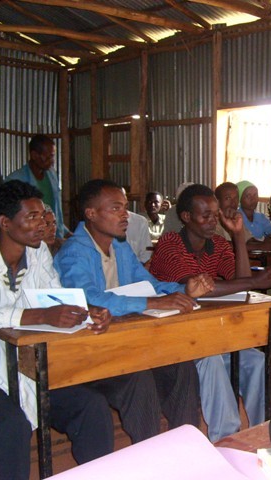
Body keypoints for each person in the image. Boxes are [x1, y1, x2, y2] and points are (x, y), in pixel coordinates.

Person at [54, 179, 215, 438]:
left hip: (126, 343)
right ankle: (148, 454)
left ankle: (185, 443)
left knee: (181, 365)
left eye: (125, 208)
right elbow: (90, 300)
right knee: (139, 379)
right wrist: (151, 302)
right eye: (116, 208)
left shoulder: (119, 246)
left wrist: (184, 290)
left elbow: (148, 284)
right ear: (91, 214)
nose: (125, 216)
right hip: (90, 348)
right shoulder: (74, 253)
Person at [0, 180, 114, 475]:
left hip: (30, 371)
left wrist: (86, 313)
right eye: (31, 217)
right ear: (5, 223)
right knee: (11, 425)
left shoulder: (38, 254)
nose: (43, 225)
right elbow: (43, 312)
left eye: (43, 216)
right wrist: (40, 316)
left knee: (92, 408)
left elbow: (56, 298)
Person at [149, 184, 271, 441]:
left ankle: (269, 430)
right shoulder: (170, 244)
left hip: (208, 334)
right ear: (186, 217)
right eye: (205, 215)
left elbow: (241, 281)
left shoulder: (218, 244)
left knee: (255, 360)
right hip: (173, 339)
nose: (213, 221)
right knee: (212, 362)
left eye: (215, 214)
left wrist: (238, 236)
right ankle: (226, 439)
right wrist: (255, 282)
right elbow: (199, 289)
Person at [5, 134, 69, 238]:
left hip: (54, 236)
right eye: (48, 157)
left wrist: (63, 231)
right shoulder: (16, 180)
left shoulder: (51, 175)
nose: (52, 161)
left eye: (52, 156)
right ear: (34, 155)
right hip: (31, 237)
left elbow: (56, 210)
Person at [237, 180, 271, 251]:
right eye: (248, 196)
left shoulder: (261, 217)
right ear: (239, 199)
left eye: (255, 195)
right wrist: (263, 244)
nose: (253, 199)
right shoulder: (236, 217)